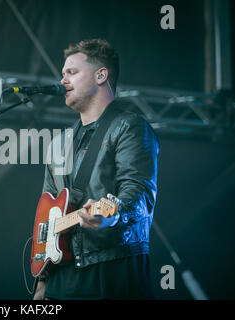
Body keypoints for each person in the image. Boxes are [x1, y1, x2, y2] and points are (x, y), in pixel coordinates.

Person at [34, 39, 159, 300]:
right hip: (61, 276)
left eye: (72, 72)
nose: (63, 80)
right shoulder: (58, 143)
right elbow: (47, 212)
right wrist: (43, 280)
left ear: (101, 75)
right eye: (62, 73)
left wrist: (113, 216)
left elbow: (139, 194)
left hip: (110, 270)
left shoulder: (129, 127)